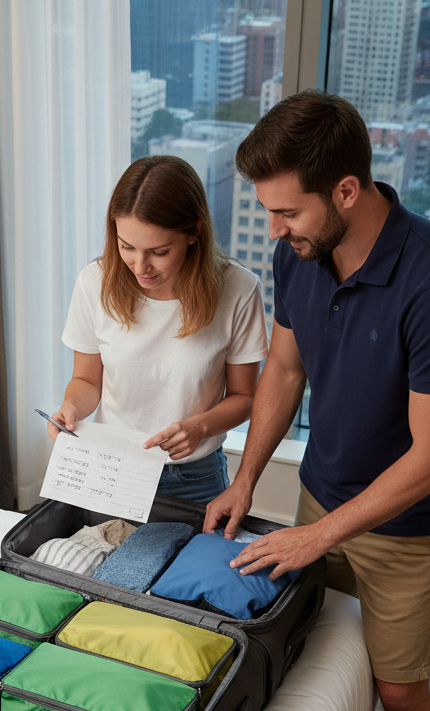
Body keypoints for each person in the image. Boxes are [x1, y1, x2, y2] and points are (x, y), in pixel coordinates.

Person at [204, 91, 430, 711]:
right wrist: (247, 477)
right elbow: (285, 373)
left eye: (288, 210)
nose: (276, 228)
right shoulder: (299, 255)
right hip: (321, 495)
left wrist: (319, 534)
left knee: (398, 689)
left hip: (401, 522)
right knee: (313, 660)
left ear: (348, 193)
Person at [47, 155, 268, 505]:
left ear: (194, 232)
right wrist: (71, 408)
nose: (140, 266)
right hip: (113, 468)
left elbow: (244, 398)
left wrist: (200, 427)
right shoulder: (94, 283)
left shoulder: (238, 289)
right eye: (126, 247)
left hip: (194, 476)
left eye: (159, 251)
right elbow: (88, 381)